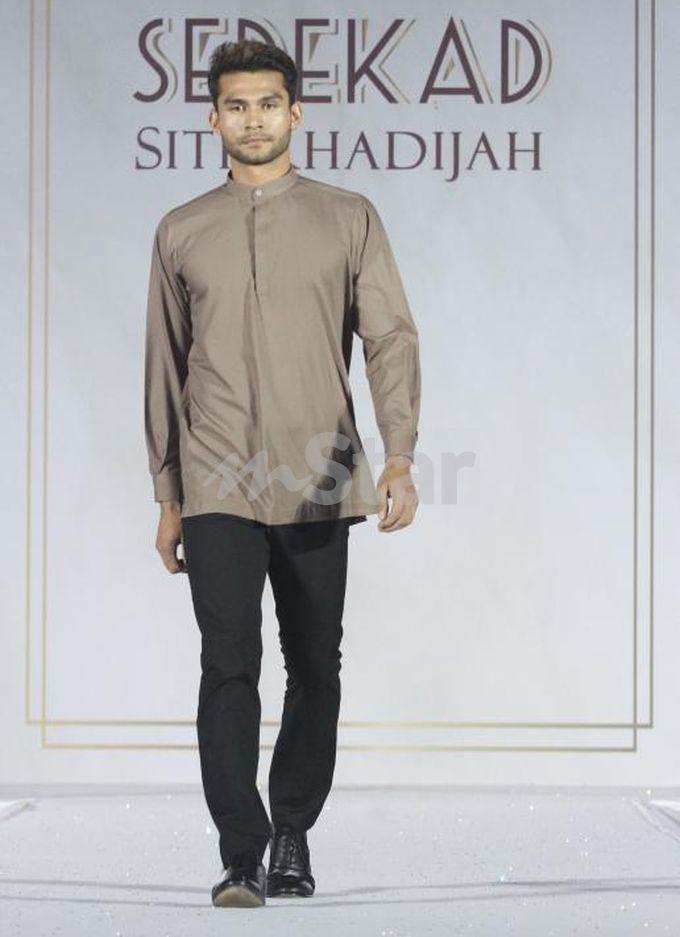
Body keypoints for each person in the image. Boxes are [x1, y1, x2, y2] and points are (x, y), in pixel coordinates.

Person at [144, 38, 421, 908]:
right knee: (227, 662)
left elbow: (390, 336)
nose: (253, 119)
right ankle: (242, 851)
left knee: (314, 662)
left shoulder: (348, 217)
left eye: (268, 103)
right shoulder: (182, 230)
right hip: (216, 475)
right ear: (213, 118)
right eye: (237, 105)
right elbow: (163, 366)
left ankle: (292, 827)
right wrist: (167, 495)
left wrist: (401, 452)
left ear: (295, 112)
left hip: (317, 471)